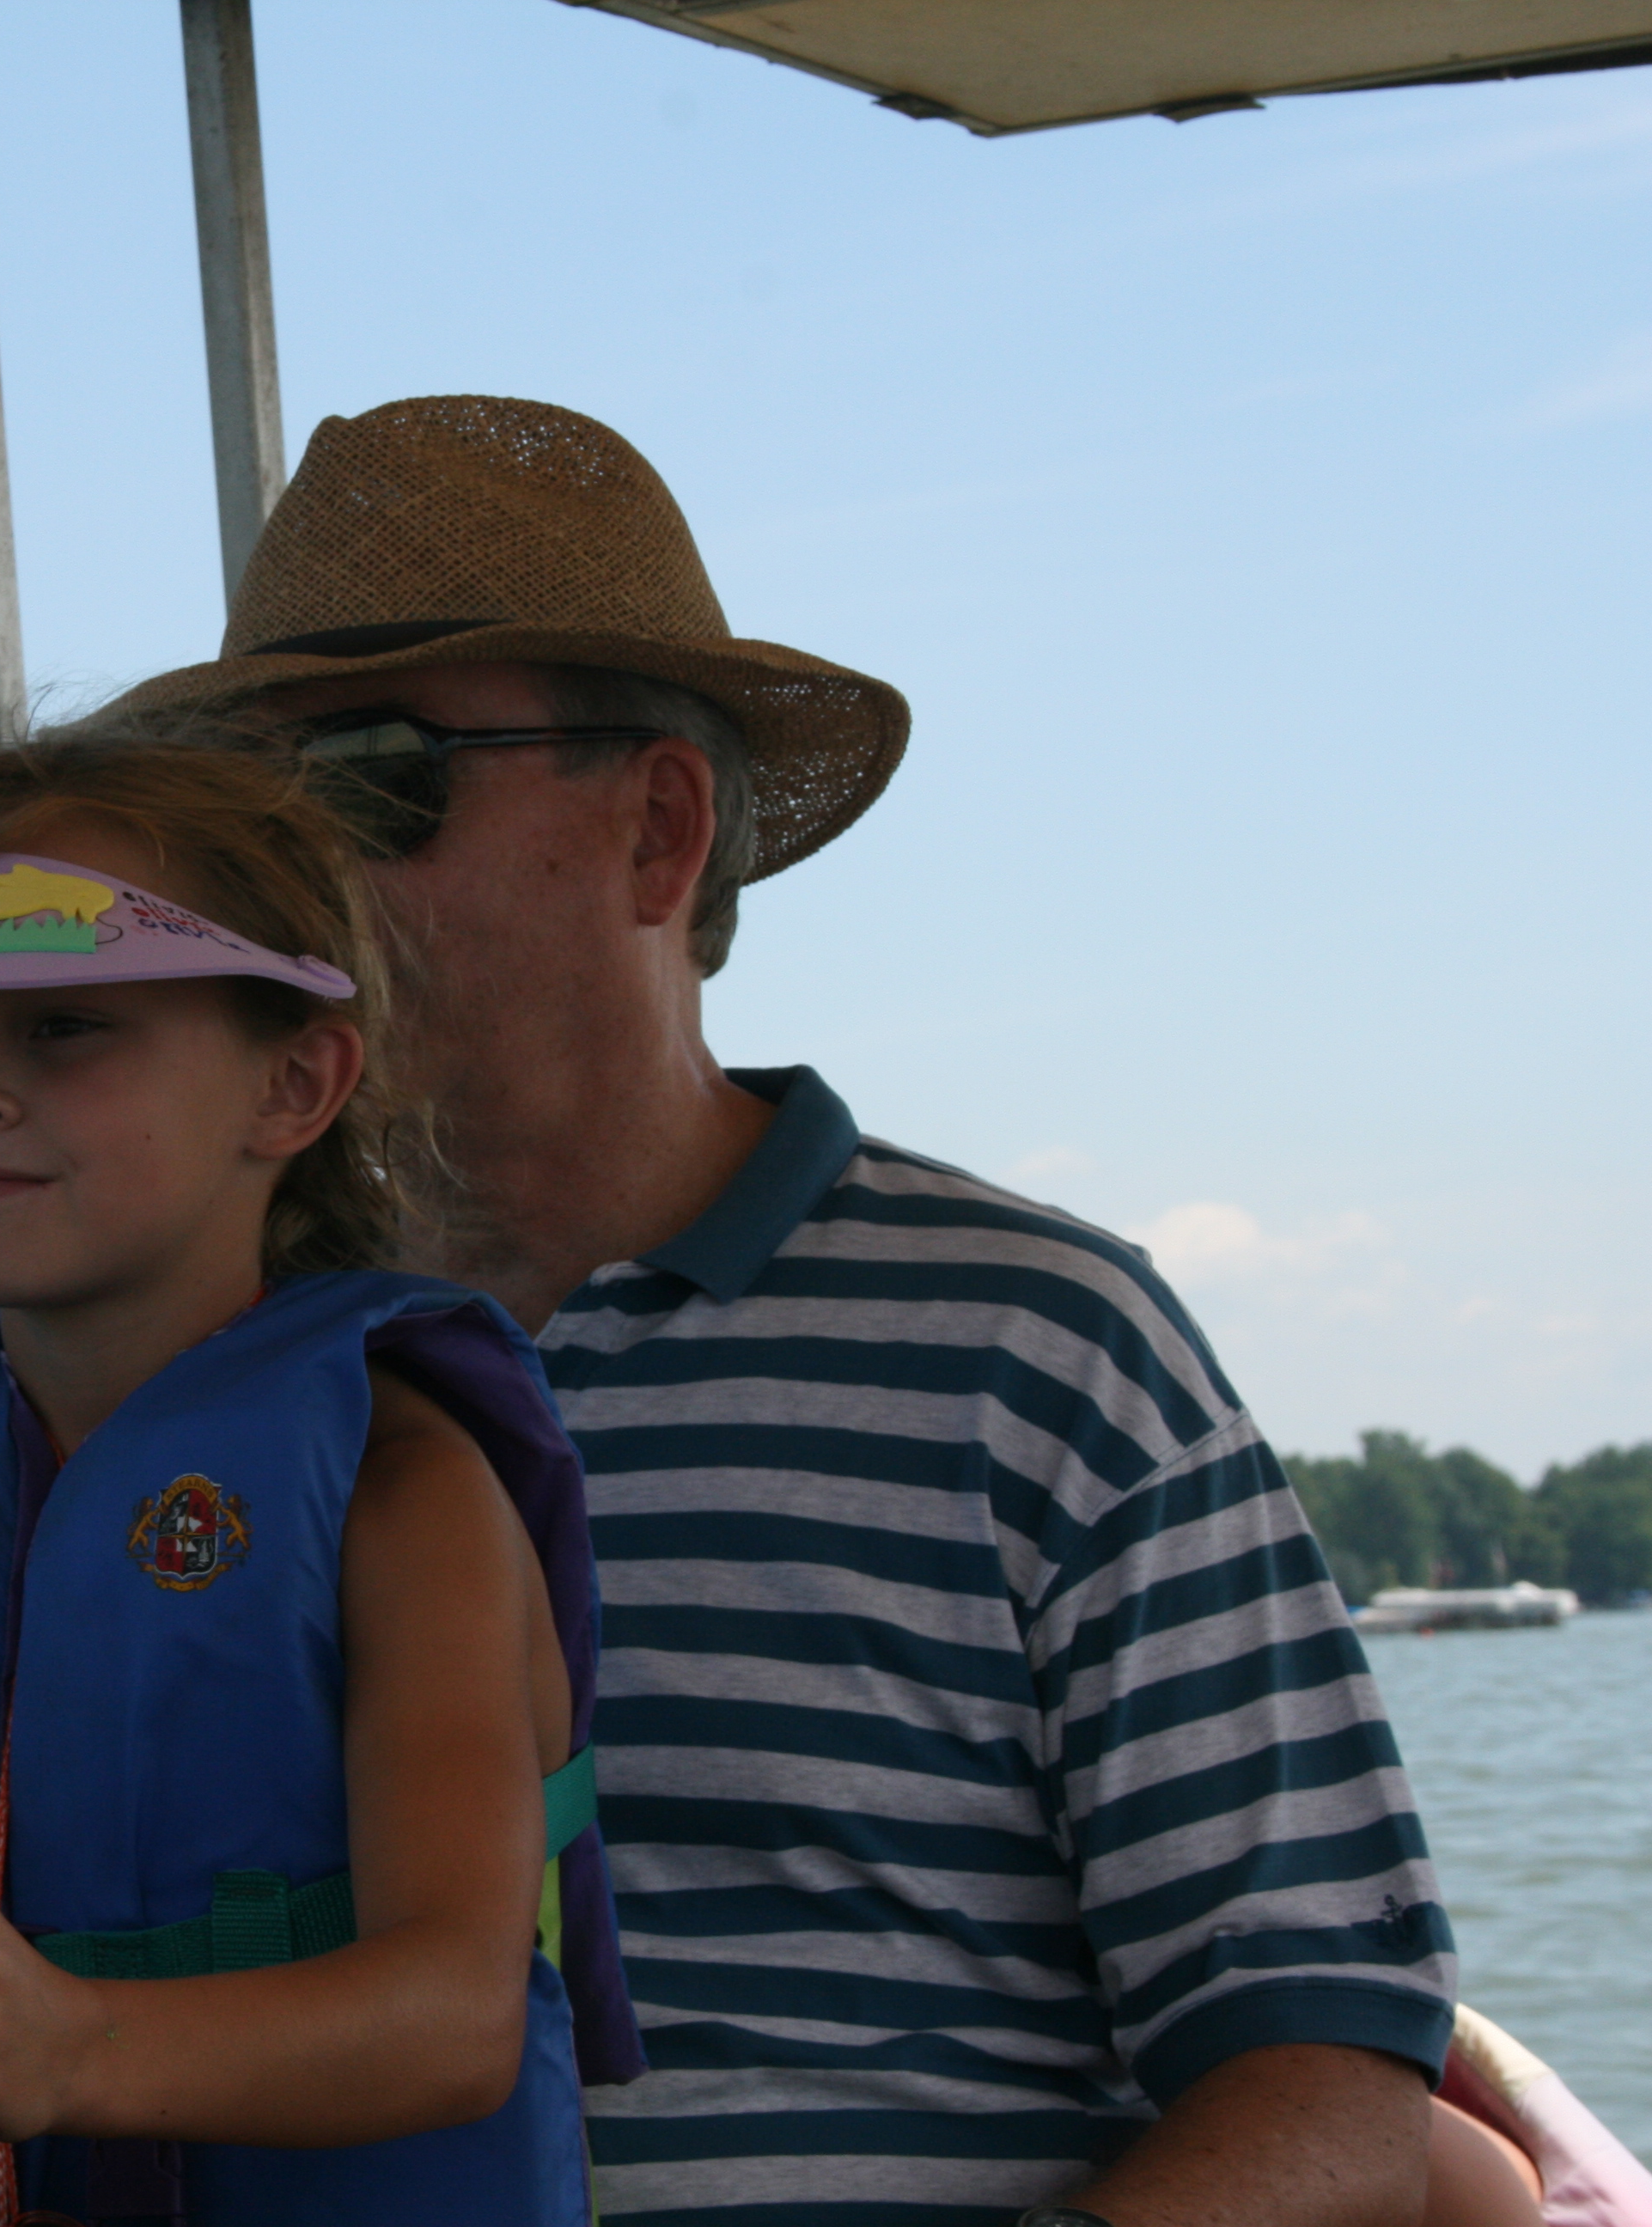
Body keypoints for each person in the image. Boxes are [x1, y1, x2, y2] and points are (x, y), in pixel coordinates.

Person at [95, 395, 1464, 2227]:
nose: (286, 875)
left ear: (659, 831)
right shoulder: (164, 1375)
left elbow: (1330, 2076)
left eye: (369, 782)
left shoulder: (1040, 1354)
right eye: (250, 815)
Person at [0, 736, 643, 2225]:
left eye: (65, 1026)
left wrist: (75, 2046)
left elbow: (452, 2017)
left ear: (292, 1084)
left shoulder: (406, 1489)